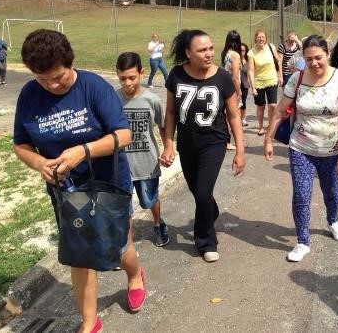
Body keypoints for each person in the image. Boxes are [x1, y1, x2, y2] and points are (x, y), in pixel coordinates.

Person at [13, 29, 145, 333]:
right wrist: (40, 163)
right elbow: (21, 144)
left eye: (58, 77)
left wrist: (83, 151)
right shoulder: (29, 95)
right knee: (79, 255)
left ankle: (135, 275)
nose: (52, 85)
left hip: (108, 185)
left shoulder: (94, 87)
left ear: (70, 63)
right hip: (66, 191)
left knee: (117, 245)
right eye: (42, 79)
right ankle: (89, 322)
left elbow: (123, 135)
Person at [264, 35, 338, 262]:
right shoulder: (297, 79)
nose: (314, 63)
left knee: (331, 191)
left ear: (328, 54)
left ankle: (333, 220)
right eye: (308, 59)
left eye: (318, 58)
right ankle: (302, 241)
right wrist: (268, 139)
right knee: (301, 195)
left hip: (332, 151)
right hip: (301, 148)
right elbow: (280, 111)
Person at [160, 29, 245, 263]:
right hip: (187, 143)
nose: (209, 54)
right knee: (199, 193)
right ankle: (211, 211)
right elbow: (170, 112)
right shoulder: (176, 75)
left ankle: (206, 241)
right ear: (188, 53)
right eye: (202, 50)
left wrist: (240, 151)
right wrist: (168, 143)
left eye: (210, 48)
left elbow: (234, 116)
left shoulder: (223, 78)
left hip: (214, 142)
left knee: (203, 192)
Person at [116, 52, 170, 248]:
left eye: (132, 77)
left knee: (150, 200)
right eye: (122, 78)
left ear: (141, 72)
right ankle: (126, 244)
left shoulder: (152, 100)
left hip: (147, 163)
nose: (128, 83)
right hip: (121, 165)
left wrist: (168, 148)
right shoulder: (113, 99)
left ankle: (158, 224)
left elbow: (163, 126)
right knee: (124, 207)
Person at [247, 29, 282, 136]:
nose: (261, 39)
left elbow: (278, 60)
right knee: (261, 106)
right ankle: (261, 127)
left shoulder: (271, 47)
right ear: (255, 38)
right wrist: (253, 87)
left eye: (263, 37)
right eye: (259, 37)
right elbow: (251, 70)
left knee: (273, 105)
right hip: (258, 82)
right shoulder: (251, 52)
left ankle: (271, 125)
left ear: (266, 39)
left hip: (272, 80)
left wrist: (280, 75)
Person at [221, 30, 243, 150]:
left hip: (224, 86)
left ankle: (230, 141)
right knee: (234, 116)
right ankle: (229, 141)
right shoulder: (235, 55)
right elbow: (235, 77)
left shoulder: (225, 53)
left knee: (228, 115)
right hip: (232, 88)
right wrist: (239, 92)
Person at [239, 43, 251, 127]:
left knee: (243, 102)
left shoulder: (248, 62)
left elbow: (251, 73)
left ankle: (243, 119)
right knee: (235, 103)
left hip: (245, 85)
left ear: (246, 51)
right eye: (240, 50)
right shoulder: (235, 59)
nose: (241, 52)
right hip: (235, 84)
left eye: (243, 50)